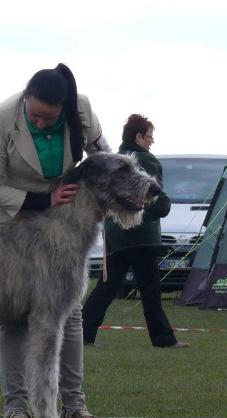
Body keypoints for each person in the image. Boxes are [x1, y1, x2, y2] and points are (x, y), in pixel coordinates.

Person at [0, 63, 110, 418]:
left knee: (70, 311)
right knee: (15, 314)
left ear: (64, 108)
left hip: (63, 220)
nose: (38, 123)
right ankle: (16, 408)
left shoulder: (81, 109)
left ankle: (74, 404)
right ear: (25, 99)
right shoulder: (1, 118)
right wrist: (44, 198)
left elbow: (103, 155)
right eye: (33, 115)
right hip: (14, 215)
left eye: (47, 118)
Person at [82, 114, 189, 349]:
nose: (152, 141)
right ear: (139, 137)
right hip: (142, 236)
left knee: (107, 288)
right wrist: (165, 205)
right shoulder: (147, 161)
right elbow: (154, 196)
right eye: (150, 136)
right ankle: (163, 339)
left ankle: (83, 333)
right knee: (151, 291)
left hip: (116, 235)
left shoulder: (113, 160)